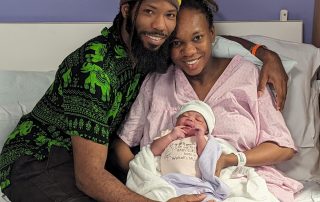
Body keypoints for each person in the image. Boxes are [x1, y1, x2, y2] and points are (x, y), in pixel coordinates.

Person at [0, 0, 289, 201]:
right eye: (149, 11)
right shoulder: (96, 70)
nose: (160, 26)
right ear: (128, 11)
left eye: (168, 15)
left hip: (98, 158)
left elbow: (198, 38)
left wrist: (266, 53)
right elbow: (88, 176)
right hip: (41, 159)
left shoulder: (152, 51)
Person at [116, 0, 304, 201]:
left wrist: (231, 160)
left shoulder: (249, 76)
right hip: (169, 191)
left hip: (236, 186)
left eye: (197, 38)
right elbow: (121, 144)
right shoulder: (157, 82)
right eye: (176, 43)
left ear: (212, 34)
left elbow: (282, 147)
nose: (188, 51)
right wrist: (146, 177)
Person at [127, 100, 231, 202]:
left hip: (195, 183)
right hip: (168, 181)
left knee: (204, 197)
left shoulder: (204, 140)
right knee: (159, 196)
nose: (190, 119)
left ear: (206, 130)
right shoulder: (168, 134)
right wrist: (171, 136)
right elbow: (153, 150)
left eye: (198, 120)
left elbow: (207, 158)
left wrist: (200, 137)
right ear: (176, 122)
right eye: (185, 116)